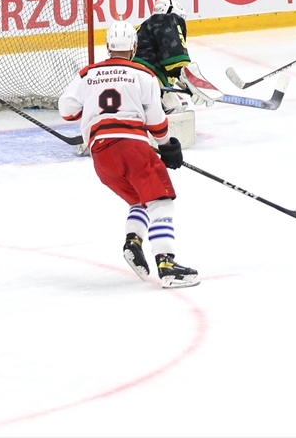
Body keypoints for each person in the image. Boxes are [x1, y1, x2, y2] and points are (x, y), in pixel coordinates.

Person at [58, 21, 199, 288]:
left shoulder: (88, 73)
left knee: (140, 200)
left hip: (100, 155)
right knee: (161, 201)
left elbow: (66, 109)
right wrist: (168, 146)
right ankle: (167, 264)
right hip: (132, 147)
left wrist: (90, 108)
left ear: (108, 47)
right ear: (134, 47)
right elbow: (156, 121)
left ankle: (133, 242)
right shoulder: (142, 73)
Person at [133, 0, 212, 113]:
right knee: (176, 107)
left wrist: (183, 84)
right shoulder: (165, 20)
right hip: (145, 84)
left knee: (178, 102)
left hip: (133, 84)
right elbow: (174, 57)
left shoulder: (144, 29)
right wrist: (188, 77)